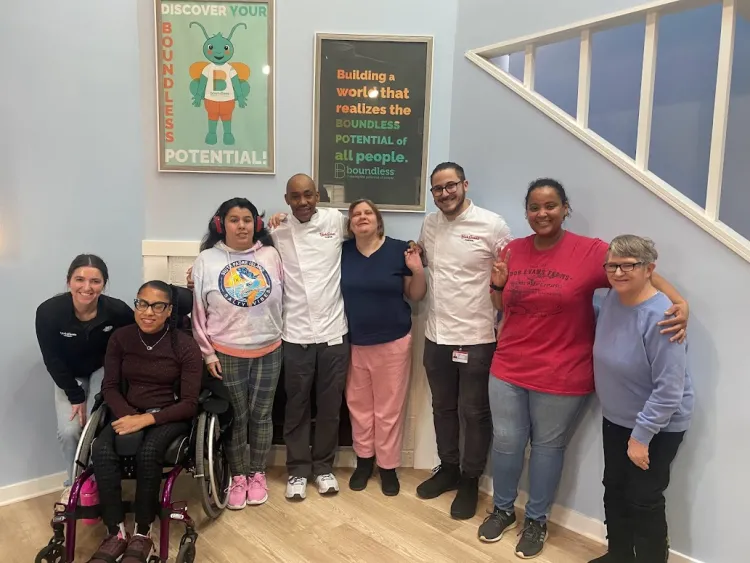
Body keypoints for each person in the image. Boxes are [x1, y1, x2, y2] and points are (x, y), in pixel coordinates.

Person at [478, 179, 689, 559]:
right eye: (534, 207)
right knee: (506, 443)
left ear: (565, 208)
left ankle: (537, 520)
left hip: (562, 371)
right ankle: (503, 509)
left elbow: (636, 268)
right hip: (508, 364)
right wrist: (496, 287)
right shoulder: (512, 250)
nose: (542, 213)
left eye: (551, 205)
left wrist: (678, 302)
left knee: (546, 448)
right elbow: (502, 304)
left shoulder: (590, 252)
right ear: (526, 211)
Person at [415, 162, 513, 520]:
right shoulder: (430, 223)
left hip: (476, 337)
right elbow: (424, 259)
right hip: (436, 335)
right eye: (437, 189)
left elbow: (509, 273)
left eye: (450, 186)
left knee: (474, 413)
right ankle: (450, 468)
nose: (444, 194)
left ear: (465, 185)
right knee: (443, 408)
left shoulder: (493, 225)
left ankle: (471, 479)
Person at [589, 235, 693, 563]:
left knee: (644, 499)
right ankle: (619, 556)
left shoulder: (664, 316)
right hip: (616, 418)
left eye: (629, 265)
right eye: (613, 265)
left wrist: (641, 437)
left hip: (657, 426)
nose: (618, 272)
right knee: (614, 490)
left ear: (649, 269)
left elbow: (669, 390)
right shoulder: (608, 299)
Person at [87, 281, 202, 563]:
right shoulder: (121, 338)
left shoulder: (185, 346)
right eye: (142, 303)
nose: (148, 312)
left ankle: (142, 532)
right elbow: (110, 387)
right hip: (128, 412)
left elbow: (189, 403)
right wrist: (129, 416)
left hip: (168, 414)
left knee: (149, 452)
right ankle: (115, 532)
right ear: (136, 305)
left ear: (169, 311)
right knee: (100, 450)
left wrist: (146, 420)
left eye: (157, 306)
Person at [191, 197, 283, 509]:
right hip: (225, 353)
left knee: (261, 416)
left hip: (269, 349)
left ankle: (257, 474)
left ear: (256, 224)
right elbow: (198, 313)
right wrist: (208, 354)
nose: (241, 225)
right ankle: (239, 476)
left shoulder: (270, 255)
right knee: (236, 417)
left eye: (247, 219)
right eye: (234, 219)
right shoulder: (206, 260)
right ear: (221, 224)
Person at [268, 173, 350, 500]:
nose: (303, 202)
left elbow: (371, 232)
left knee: (331, 406)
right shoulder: (276, 230)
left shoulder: (336, 220)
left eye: (308, 195)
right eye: (295, 196)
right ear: (287, 200)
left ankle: (324, 468)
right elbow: (243, 252)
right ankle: (298, 470)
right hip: (295, 333)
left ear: (318, 196)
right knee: (296, 406)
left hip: (333, 332)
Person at [341, 199, 427, 496]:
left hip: (393, 342)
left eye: (368, 213)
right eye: (356, 215)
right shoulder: (343, 252)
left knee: (389, 410)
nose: (362, 218)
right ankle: (364, 462)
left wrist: (417, 271)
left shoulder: (398, 250)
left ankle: (388, 466)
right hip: (354, 342)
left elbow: (415, 295)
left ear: (378, 221)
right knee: (359, 408)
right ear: (350, 224)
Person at [35, 254, 134, 501]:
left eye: (95, 281)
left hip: (103, 370)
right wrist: (75, 395)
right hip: (68, 376)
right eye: (79, 279)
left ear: (104, 284)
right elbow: (52, 359)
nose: (87, 287)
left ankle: (95, 480)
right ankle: (74, 483)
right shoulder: (49, 312)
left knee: (93, 426)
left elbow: (134, 339)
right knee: (70, 431)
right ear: (69, 282)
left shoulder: (117, 310)